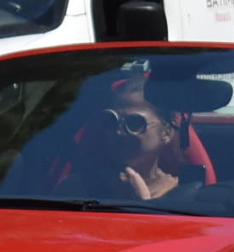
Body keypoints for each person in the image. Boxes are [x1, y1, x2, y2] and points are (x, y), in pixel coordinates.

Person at [71, 73, 201, 201]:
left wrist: (139, 204)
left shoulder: (183, 196)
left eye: (135, 123)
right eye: (111, 121)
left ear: (166, 134)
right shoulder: (75, 188)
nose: (118, 132)